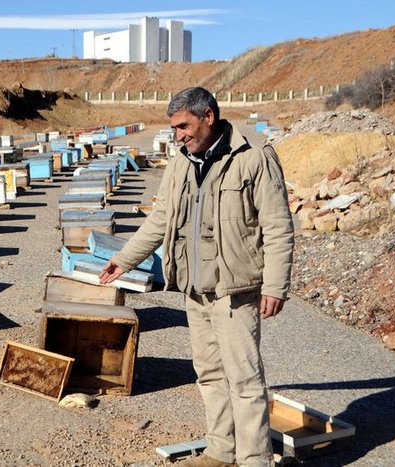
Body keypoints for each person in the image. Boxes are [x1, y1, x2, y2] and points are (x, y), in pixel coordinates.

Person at [99, 86, 294, 467]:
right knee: (208, 375)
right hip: (195, 290)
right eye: (173, 128)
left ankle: (255, 459)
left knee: (245, 380)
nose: (179, 135)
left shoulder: (253, 158)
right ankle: (221, 450)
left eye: (184, 126)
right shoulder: (181, 162)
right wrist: (124, 259)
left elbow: (278, 226)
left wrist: (275, 286)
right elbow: (161, 219)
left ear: (209, 117)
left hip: (234, 292)